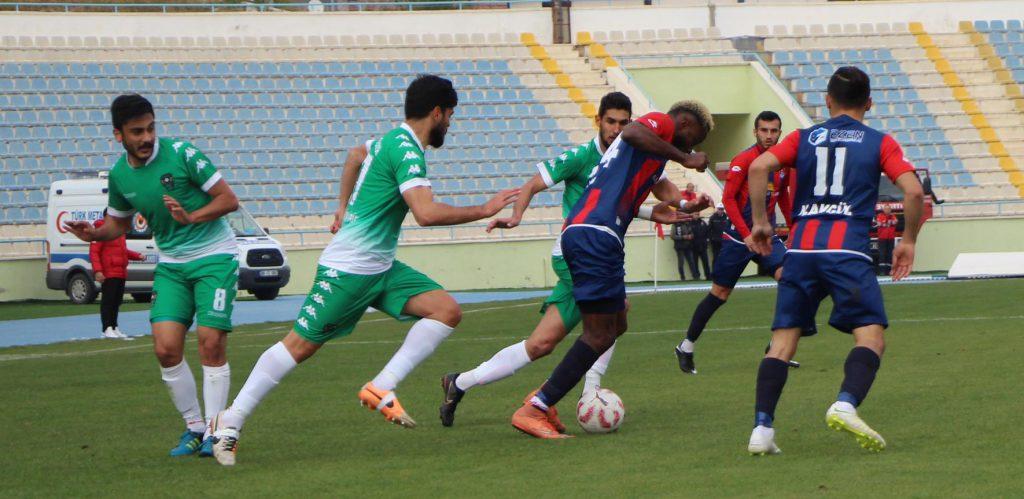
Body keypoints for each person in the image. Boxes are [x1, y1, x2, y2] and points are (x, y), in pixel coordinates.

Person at [209, 75, 520, 465]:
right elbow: (424, 213)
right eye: (450, 116)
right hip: (350, 270)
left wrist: (342, 206)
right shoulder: (408, 151)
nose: (450, 125)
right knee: (298, 346)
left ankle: (382, 386)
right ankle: (229, 423)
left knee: (446, 310)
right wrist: (483, 209)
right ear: (437, 112)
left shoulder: (391, 139)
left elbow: (356, 154)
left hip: (381, 267)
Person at [745, 67, 924, 455]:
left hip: (801, 251)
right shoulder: (879, 142)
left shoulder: (804, 137)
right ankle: (844, 403)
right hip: (847, 252)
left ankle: (761, 429)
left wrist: (761, 222)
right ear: (870, 103)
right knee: (871, 337)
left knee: (781, 344)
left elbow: (758, 167)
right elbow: (913, 192)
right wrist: (907, 241)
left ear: (827, 100)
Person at [510, 101, 714, 438]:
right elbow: (634, 131)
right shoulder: (658, 124)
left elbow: (659, 188)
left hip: (595, 233)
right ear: (686, 123)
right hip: (596, 233)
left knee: (616, 322)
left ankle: (545, 394)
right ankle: (536, 408)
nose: (692, 147)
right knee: (599, 333)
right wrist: (685, 158)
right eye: (694, 139)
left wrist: (688, 204)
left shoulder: (648, 156)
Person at [438, 92, 637, 428]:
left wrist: (663, 212)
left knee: (542, 343)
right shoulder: (581, 157)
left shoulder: (626, 161)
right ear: (599, 121)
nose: (616, 129)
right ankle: (583, 394)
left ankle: (459, 383)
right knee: (612, 321)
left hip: (594, 257)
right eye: (611, 121)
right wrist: (516, 216)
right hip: (574, 255)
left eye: (623, 123)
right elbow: (532, 185)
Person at [63, 94, 240, 457]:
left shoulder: (183, 154)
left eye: (151, 128)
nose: (147, 138)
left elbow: (228, 200)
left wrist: (191, 216)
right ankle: (193, 427)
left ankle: (215, 430)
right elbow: (118, 222)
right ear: (118, 135)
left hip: (214, 256)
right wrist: (94, 233)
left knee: (210, 341)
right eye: (137, 131)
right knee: (165, 349)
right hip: (172, 264)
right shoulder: (119, 175)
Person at [674, 110, 805, 375]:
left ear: (780, 133)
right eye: (764, 130)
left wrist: (793, 229)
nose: (769, 135)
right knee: (720, 294)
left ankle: (777, 348)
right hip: (738, 237)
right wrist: (746, 234)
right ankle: (686, 346)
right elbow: (730, 200)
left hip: (766, 237)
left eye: (774, 131)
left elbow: (783, 198)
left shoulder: (784, 163)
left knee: (793, 281)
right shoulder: (744, 160)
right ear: (755, 132)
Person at [90, 209, 145, 340]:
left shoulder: (118, 231)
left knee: (116, 301)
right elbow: (94, 252)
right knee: (108, 301)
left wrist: (137, 256)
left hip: (120, 271)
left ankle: (114, 327)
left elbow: (123, 250)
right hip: (109, 271)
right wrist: (98, 271)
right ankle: (107, 328)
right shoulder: (101, 230)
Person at [671, 215, 697, 280]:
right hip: (679, 246)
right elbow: (672, 236)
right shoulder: (675, 225)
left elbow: (692, 233)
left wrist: (691, 236)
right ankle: (682, 277)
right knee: (681, 262)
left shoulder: (687, 223)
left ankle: (695, 276)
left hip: (688, 246)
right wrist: (683, 237)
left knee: (691, 261)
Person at [875, 205, 898, 275]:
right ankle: (882, 271)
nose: (887, 210)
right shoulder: (880, 216)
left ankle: (889, 271)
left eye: (889, 209)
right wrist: (887, 223)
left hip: (891, 238)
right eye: (886, 209)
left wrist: (886, 223)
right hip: (882, 238)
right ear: (883, 210)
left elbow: (896, 222)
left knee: (890, 254)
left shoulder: (893, 216)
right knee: (882, 254)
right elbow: (879, 223)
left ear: (890, 210)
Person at [691, 215, 711, 279]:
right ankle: (696, 276)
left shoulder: (703, 222)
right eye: (695, 214)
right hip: (694, 246)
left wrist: (707, 239)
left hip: (703, 245)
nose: (696, 216)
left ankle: (708, 276)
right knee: (695, 262)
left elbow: (707, 232)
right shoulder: (690, 223)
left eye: (697, 214)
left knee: (705, 262)